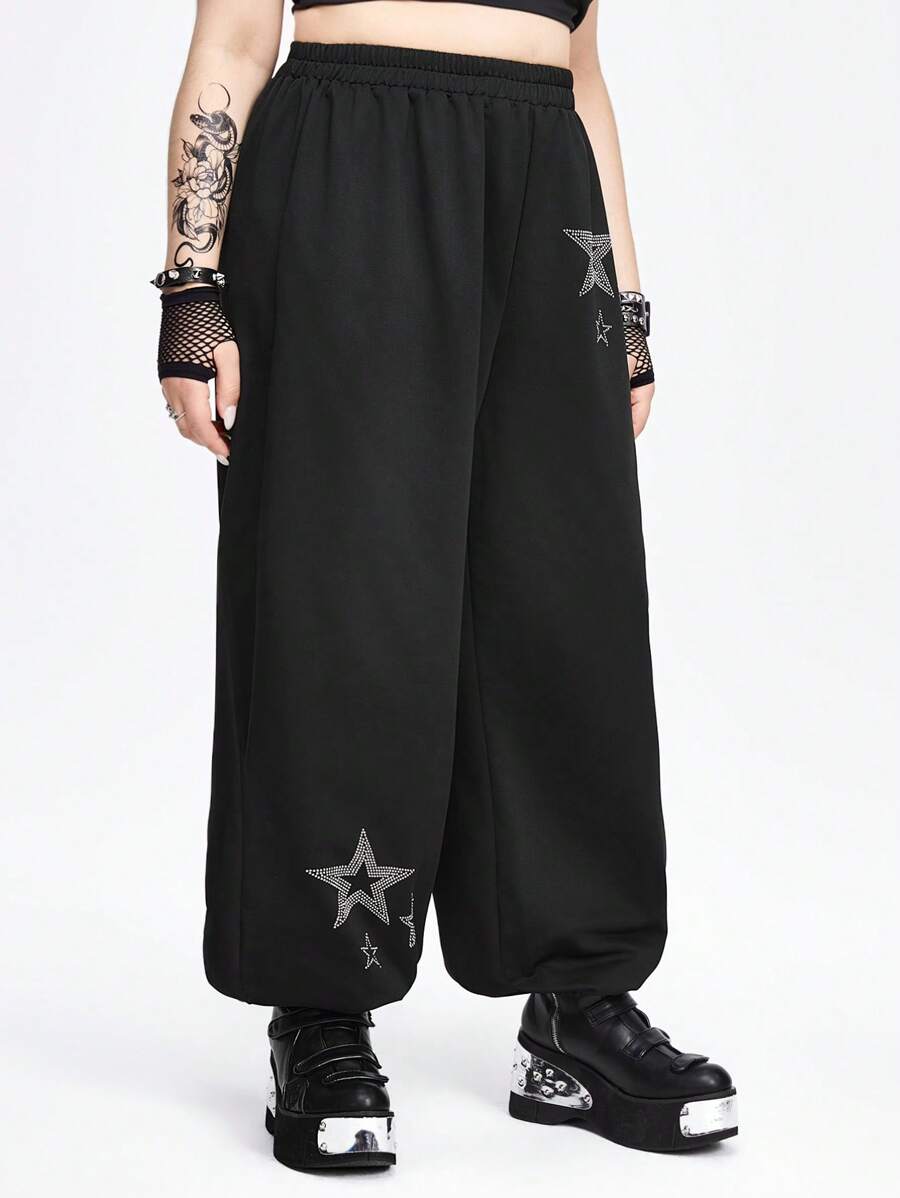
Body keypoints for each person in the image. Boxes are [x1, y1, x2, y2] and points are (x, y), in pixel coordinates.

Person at [155, 0, 737, 1172]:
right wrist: (192, 287)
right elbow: (232, 44)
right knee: (345, 592)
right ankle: (321, 1011)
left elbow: (583, 76)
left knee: (566, 602)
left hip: (545, 194)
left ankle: (577, 1004)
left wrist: (627, 307)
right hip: (351, 165)